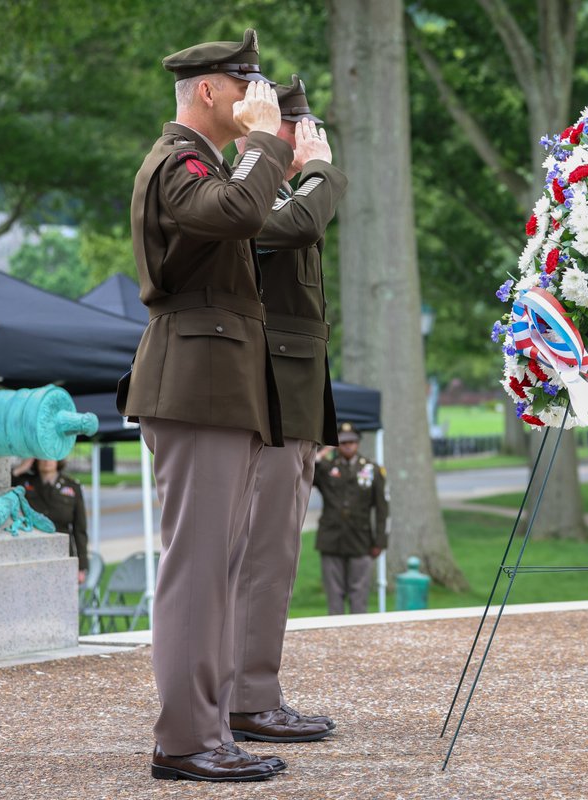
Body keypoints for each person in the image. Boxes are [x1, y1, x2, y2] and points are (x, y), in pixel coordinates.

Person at [117, 29, 295, 783]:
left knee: (216, 570)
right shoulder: (178, 163)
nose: (259, 99)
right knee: (197, 571)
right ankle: (186, 740)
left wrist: (259, 151)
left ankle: (209, 730)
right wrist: (268, 147)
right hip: (195, 384)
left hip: (216, 385)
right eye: (246, 84)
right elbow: (237, 215)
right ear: (209, 92)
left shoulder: (209, 164)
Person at [228, 76, 348, 746]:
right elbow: (302, 224)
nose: (310, 138)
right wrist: (321, 169)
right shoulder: (254, 194)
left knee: (271, 557)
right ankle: (249, 698)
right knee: (263, 557)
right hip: (267, 403)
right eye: (299, 127)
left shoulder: (277, 192)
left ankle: (249, 692)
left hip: (290, 403)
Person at [313, 422, 389, 615]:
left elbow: (382, 509)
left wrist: (380, 541)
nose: (348, 446)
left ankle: (358, 639)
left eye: (352, 442)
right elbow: (306, 472)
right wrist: (322, 452)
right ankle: (336, 639)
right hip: (332, 539)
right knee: (334, 596)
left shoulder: (371, 469)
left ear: (358, 443)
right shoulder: (326, 467)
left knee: (359, 595)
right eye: (343, 442)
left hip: (361, 540)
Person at [11, 458, 88, 585]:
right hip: (31, 551)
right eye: (42, 456)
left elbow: (80, 530)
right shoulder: (24, 482)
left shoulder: (72, 487)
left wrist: (81, 566)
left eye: (52, 456)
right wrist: (20, 468)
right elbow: (1, 486)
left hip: (62, 552)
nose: (47, 460)